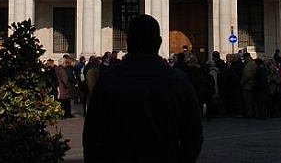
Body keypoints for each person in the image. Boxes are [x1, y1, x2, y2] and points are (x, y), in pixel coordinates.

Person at [83, 14, 203, 162]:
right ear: (159, 42)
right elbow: (194, 134)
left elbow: (92, 135)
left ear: (128, 42)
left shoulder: (108, 79)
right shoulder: (178, 80)